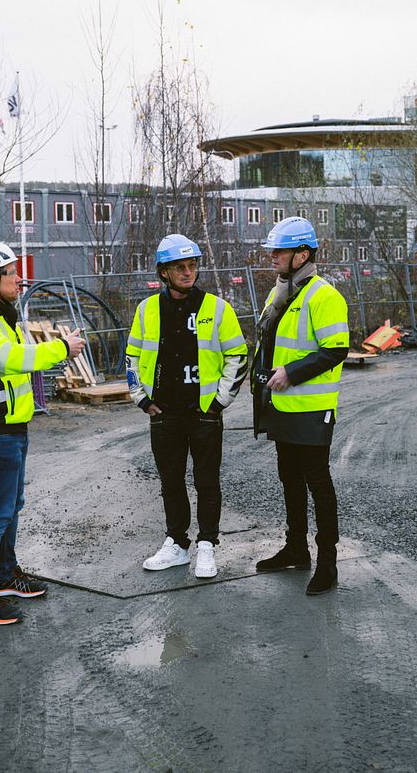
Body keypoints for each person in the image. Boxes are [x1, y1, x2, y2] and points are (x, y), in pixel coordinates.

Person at [0, 240, 85, 626]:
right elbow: (12, 361)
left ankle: (5, 576)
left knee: (10, 508)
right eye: (11, 272)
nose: (19, 278)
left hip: (10, 429)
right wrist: (60, 348)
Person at [126, 234, 248, 579]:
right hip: (163, 413)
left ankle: (207, 544)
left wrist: (219, 402)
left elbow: (238, 357)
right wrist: (142, 399)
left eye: (192, 265)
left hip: (203, 414)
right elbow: (132, 357)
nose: (188, 272)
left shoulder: (216, 308)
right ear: (163, 272)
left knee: (207, 482)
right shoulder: (147, 310)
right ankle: (177, 544)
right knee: (171, 481)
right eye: (179, 267)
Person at [252, 217, 349, 596]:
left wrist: (291, 373)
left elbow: (335, 349)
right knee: (289, 478)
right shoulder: (280, 293)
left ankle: (328, 564)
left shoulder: (324, 295)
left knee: (317, 484)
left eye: (279, 251)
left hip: (311, 409)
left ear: (302, 254)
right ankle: (296, 549)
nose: (272, 257)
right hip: (282, 406)